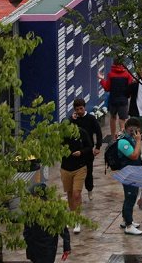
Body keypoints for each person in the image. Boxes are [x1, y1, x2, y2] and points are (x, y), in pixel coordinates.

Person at [60, 97, 102, 232]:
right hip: (67, 166)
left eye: (81, 109)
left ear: (84, 108)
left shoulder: (89, 122)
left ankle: (89, 190)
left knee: (80, 189)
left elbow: (97, 135)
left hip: (83, 160)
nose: (79, 111)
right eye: (76, 109)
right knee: (70, 194)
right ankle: (72, 216)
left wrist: (97, 147)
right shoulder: (69, 126)